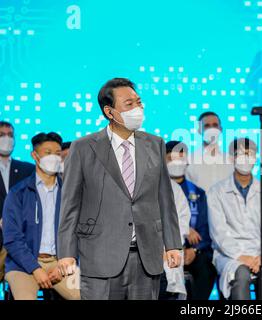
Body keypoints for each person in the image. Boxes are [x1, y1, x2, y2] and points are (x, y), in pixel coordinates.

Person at [57, 78, 182, 300]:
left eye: (139, 102)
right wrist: (66, 252)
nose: (138, 108)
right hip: (100, 255)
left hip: (147, 256)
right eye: (129, 104)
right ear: (109, 112)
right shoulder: (83, 148)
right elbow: (70, 205)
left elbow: (165, 198)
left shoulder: (155, 144)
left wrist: (172, 244)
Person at [2, 132, 80, 300]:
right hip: (22, 265)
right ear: (35, 155)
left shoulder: (69, 193)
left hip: (61, 262)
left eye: (58, 153)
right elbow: (12, 239)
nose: (54, 157)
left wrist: (65, 263)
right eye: (48, 152)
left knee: (89, 295)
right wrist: (35, 269)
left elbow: (78, 231)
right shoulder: (18, 193)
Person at [208, 138, 262, 300]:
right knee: (241, 275)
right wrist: (240, 256)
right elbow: (219, 233)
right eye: (240, 154)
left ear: (256, 158)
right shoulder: (217, 192)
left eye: (249, 154)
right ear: (231, 158)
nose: (245, 159)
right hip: (230, 254)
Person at [165, 140, 217, 300]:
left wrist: (194, 251)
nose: (177, 163)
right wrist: (185, 230)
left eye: (181, 158)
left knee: (207, 269)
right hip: (165, 250)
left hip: (193, 251)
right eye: (171, 158)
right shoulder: (155, 189)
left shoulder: (198, 193)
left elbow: (206, 228)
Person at [0, 121, 34, 281]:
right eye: (2, 135)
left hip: (21, 239)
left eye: (10, 135)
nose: (7, 139)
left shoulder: (28, 169)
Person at [185, 112, 234, 192]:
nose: (212, 129)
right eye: (207, 126)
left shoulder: (231, 161)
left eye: (215, 125)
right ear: (199, 131)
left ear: (220, 129)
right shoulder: (189, 160)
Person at [159, 180, 191, 300]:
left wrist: (167, 248)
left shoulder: (174, 188)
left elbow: (181, 223)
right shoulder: (131, 183)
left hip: (166, 257)